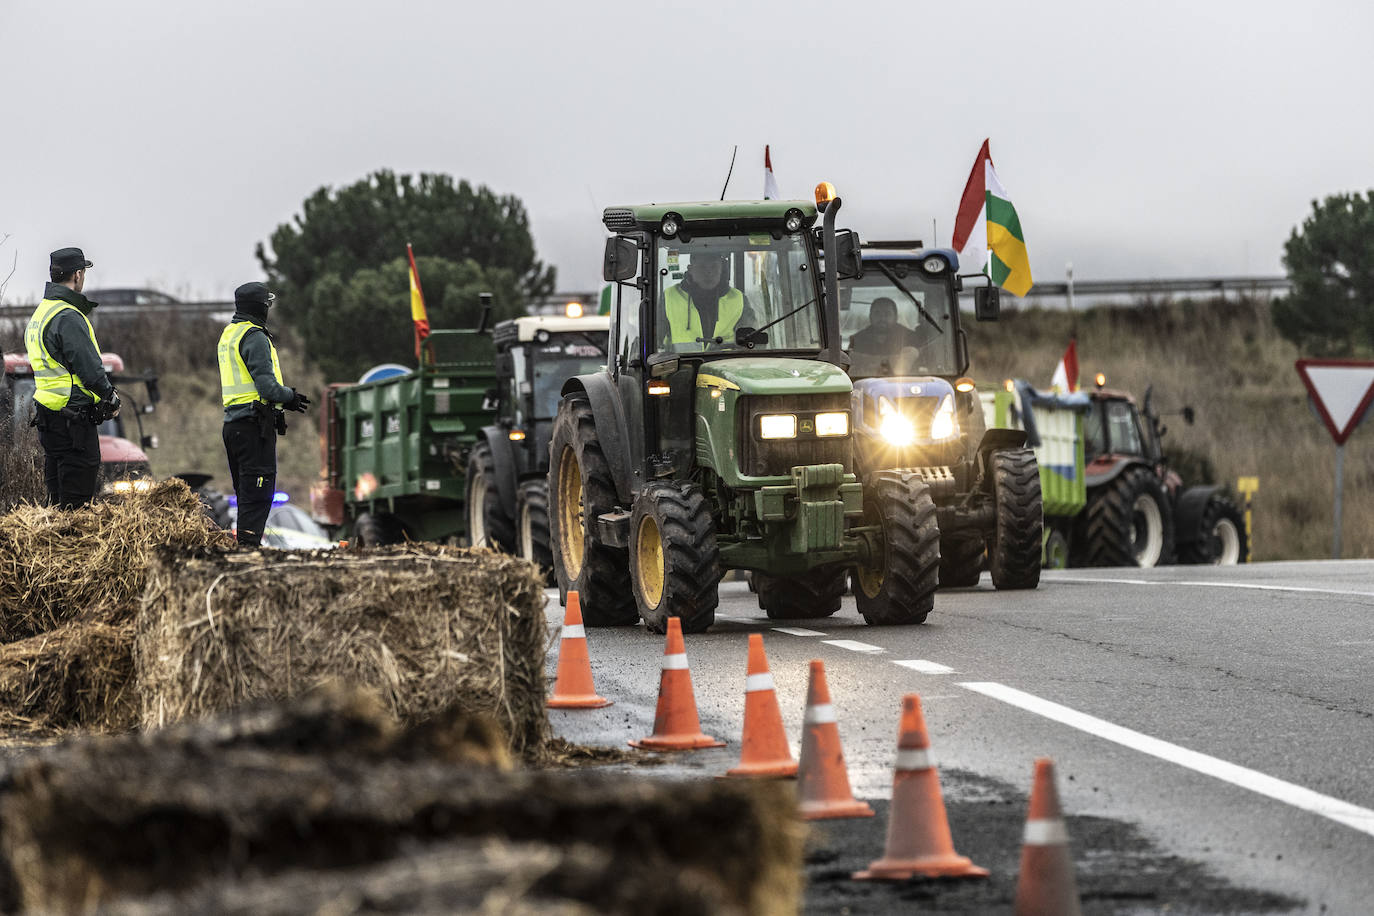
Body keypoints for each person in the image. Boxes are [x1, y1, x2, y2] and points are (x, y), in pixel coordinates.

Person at [24, 247, 120, 508]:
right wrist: (110, 397)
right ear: (78, 275)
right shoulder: (68, 316)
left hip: (49, 418)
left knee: (55, 501)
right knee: (76, 505)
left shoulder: (41, 313)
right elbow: (89, 369)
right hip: (73, 421)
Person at [218, 282, 309, 548]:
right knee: (258, 495)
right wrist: (290, 397)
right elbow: (267, 386)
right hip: (253, 427)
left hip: (233, 426)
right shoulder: (254, 336)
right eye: (267, 304)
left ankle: (244, 548)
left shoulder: (229, 334)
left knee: (246, 495)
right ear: (261, 306)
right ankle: (248, 552)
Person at [661, 254, 755, 349]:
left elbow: (754, 343)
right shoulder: (669, 297)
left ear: (721, 270)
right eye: (702, 267)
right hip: (679, 363)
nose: (708, 272)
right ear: (690, 270)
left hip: (726, 362)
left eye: (714, 267)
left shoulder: (738, 299)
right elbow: (654, 342)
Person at [848, 297, 925, 357]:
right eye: (877, 313)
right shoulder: (857, 340)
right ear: (870, 316)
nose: (882, 318)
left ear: (895, 317)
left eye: (887, 314)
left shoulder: (910, 338)